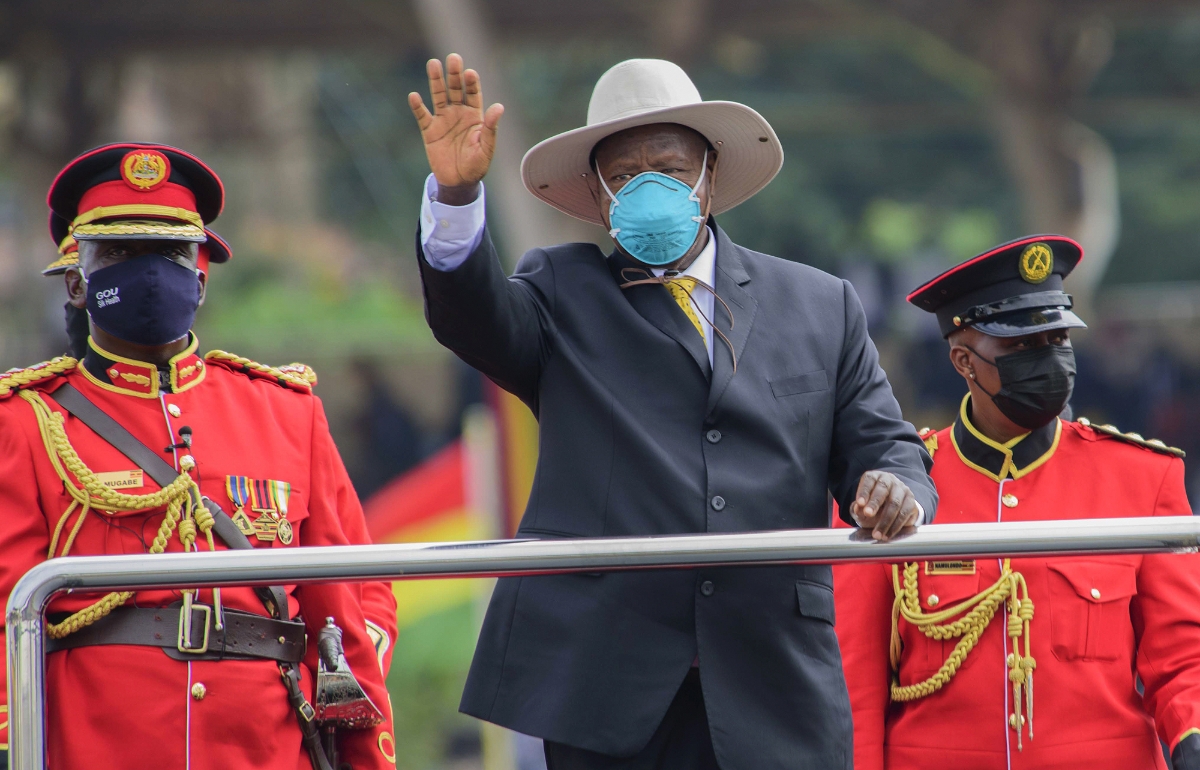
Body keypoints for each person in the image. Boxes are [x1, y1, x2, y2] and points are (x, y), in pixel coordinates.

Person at [406, 54, 937, 769]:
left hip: (773, 681)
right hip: (610, 688)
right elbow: (471, 316)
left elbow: (885, 444)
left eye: (670, 167)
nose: (649, 188)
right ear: (597, 197)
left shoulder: (819, 303)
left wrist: (898, 489)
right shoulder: (562, 291)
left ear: (711, 175)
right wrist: (456, 195)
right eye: (625, 177)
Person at [0, 143, 398, 770]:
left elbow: (351, 601)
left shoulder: (289, 413)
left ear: (203, 274)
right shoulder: (25, 422)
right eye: (119, 254)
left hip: (265, 748)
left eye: (170, 253)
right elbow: (6, 617)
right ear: (75, 280)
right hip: (100, 747)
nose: (149, 271)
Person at [834, 235, 1200, 770]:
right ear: (964, 360)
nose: (1050, 360)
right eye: (1023, 347)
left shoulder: (1141, 478)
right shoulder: (898, 488)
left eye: (1058, 340)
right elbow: (856, 682)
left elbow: (1182, 655)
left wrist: (1191, 735)